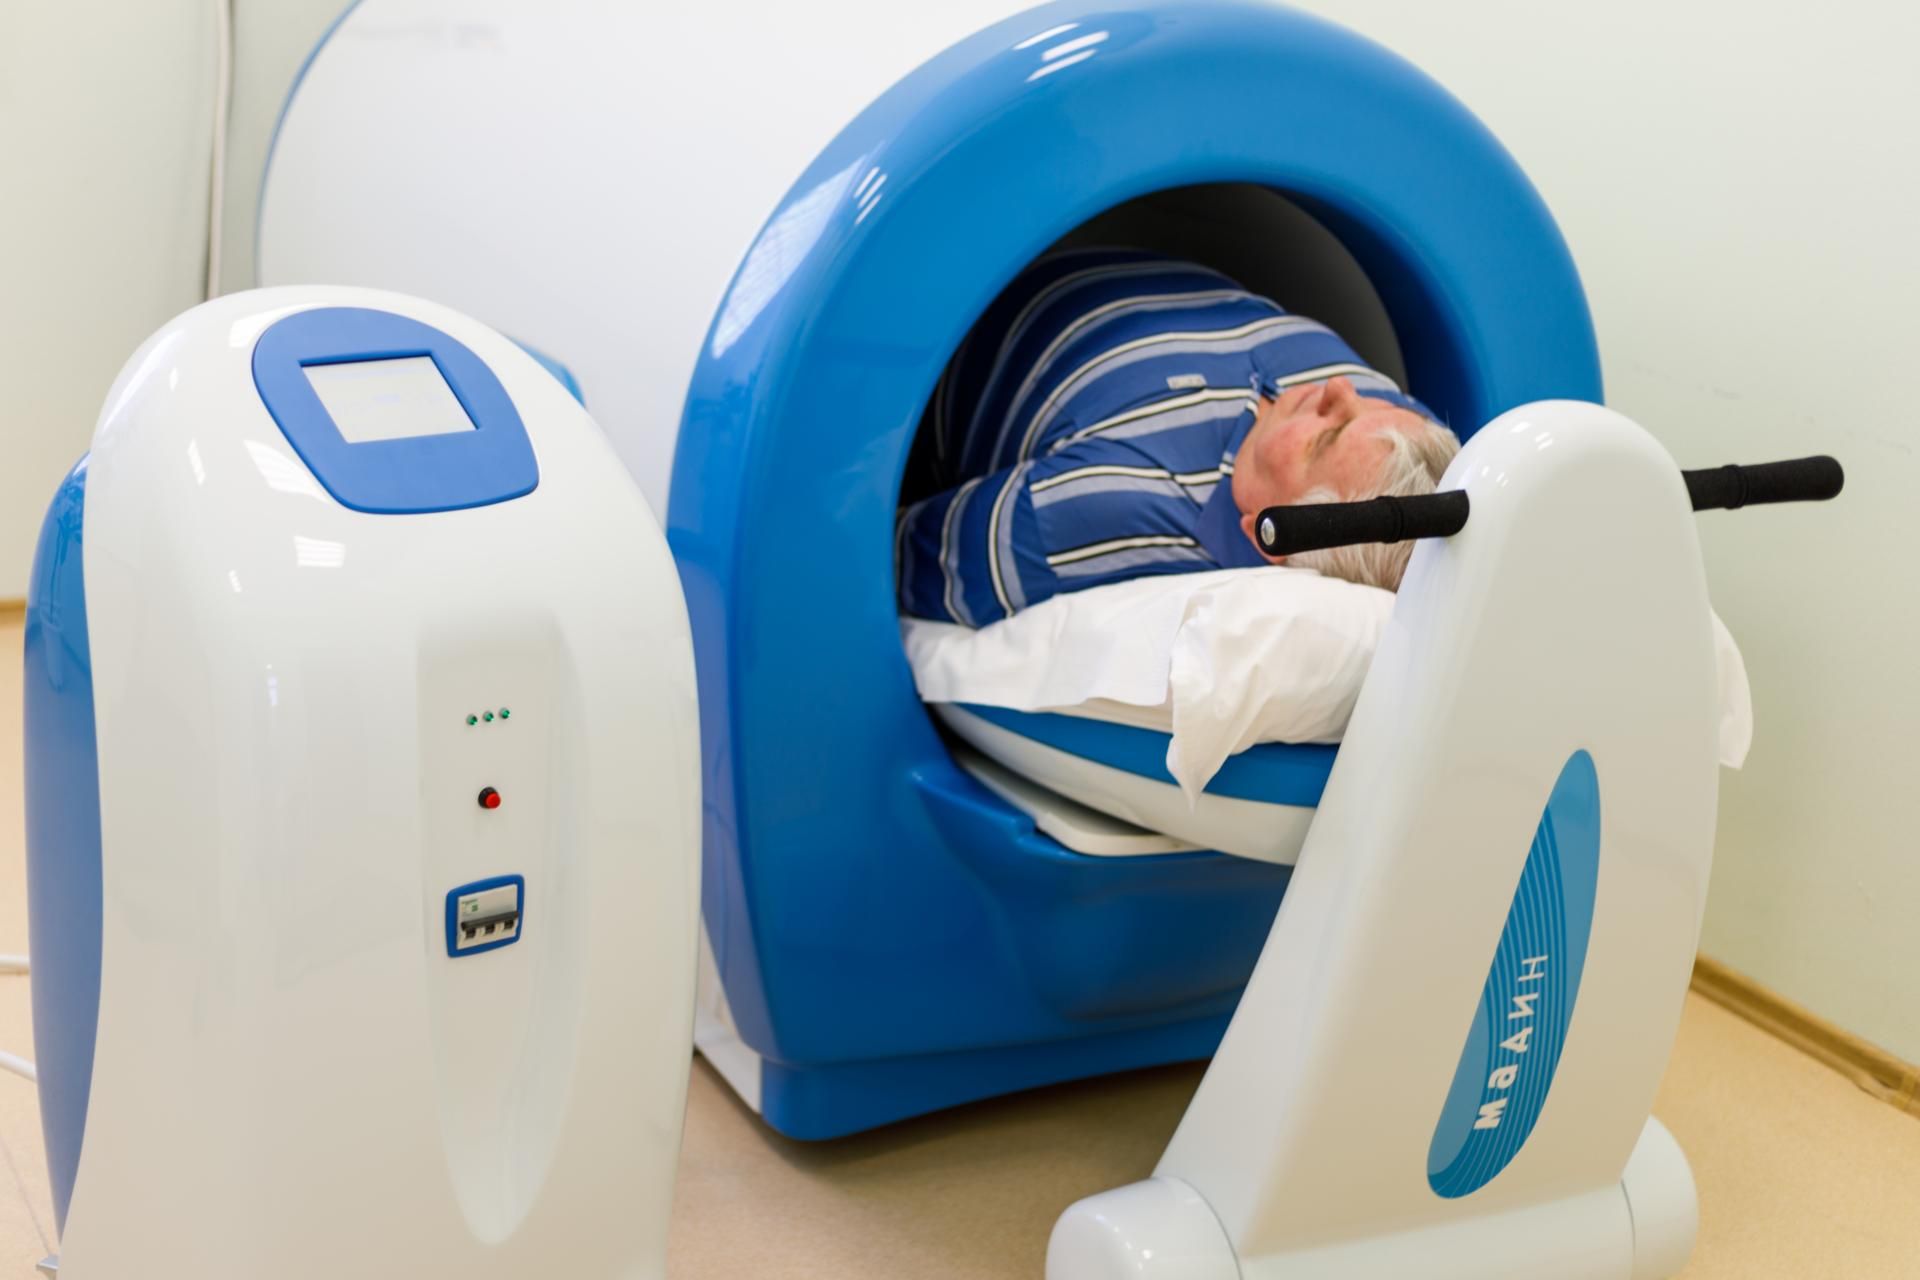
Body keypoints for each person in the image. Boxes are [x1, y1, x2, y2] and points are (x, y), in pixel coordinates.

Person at [897, 249, 1461, 627]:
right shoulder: (1405, 438)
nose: (1339, 388)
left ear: (1269, 537)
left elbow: (907, 561)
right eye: (1375, 406)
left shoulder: (1115, 501)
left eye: (1326, 438)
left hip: (929, 327)